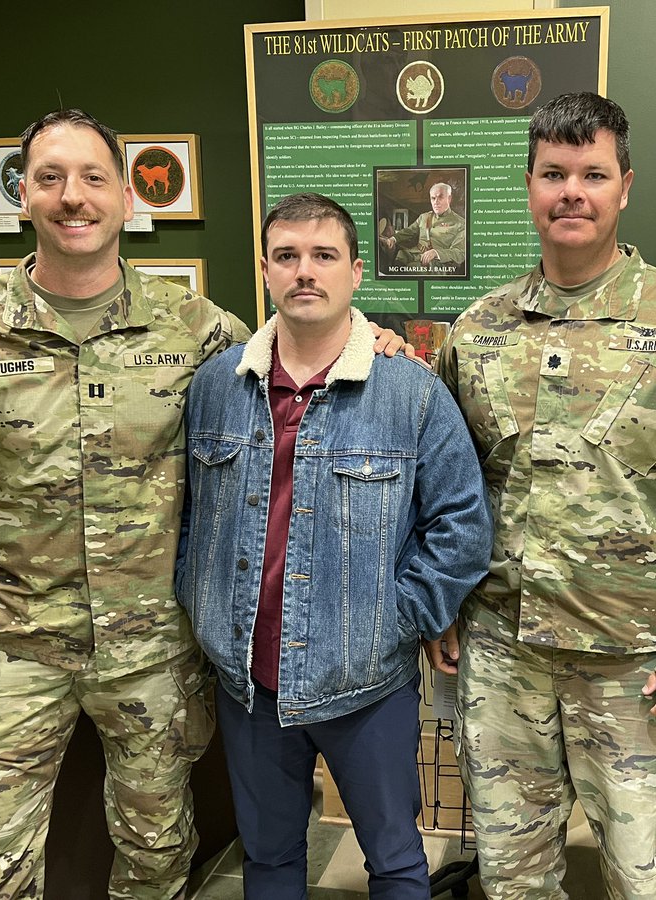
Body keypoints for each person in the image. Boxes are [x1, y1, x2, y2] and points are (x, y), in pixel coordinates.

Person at [0, 108, 406, 900]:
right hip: (11, 649)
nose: (72, 197)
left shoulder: (196, 329)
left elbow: (300, 352)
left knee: (158, 856)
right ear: (25, 194)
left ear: (125, 197)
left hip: (153, 648)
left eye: (92, 177)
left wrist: (377, 342)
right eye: (50, 178)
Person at [429, 92, 656, 899]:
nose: (571, 191)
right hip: (503, 657)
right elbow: (444, 490)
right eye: (554, 173)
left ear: (625, 187)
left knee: (647, 883)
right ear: (530, 185)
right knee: (513, 878)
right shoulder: (479, 328)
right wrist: (439, 606)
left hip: (639, 668)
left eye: (592, 173)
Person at [175, 192, 492, 899]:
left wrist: (398, 615)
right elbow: (190, 518)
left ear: (355, 272)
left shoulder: (410, 392)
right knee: (270, 858)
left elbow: (463, 527)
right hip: (247, 684)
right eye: (287, 256)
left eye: (323, 256)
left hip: (366, 685)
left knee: (396, 860)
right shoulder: (214, 389)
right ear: (264, 270)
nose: (305, 272)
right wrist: (201, 607)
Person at [381, 181, 466, 273]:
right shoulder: (424, 217)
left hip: (439, 265)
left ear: (449, 199)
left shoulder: (461, 223)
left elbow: (460, 253)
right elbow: (409, 231)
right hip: (415, 256)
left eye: (440, 197)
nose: (436, 202)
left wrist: (436, 253)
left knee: (409, 270)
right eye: (433, 198)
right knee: (395, 263)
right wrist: (393, 239)